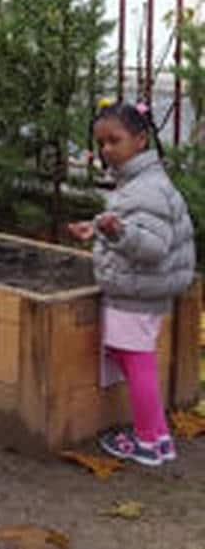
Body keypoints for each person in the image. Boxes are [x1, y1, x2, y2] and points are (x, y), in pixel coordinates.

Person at [67, 102, 196, 466]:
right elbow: (135, 222)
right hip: (139, 287)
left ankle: (150, 439)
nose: (107, 150)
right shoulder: (140, 182)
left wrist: (116, 231)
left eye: (115, 141)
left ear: (140, 140)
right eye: (101, 142)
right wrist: (98, 227)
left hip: (137, 291)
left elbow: (152, 246)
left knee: (137, 362)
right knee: (134, 358)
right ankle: (156, 437)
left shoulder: (146, 188)